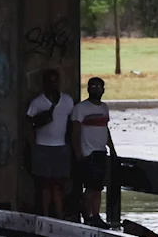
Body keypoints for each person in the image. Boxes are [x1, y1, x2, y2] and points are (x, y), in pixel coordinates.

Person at [25, 69, 74, 218]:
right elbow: (28, 124)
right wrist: (32, 146)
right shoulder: (37, 102)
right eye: (50, 81)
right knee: (45, 184)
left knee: (59, 184)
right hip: (42, 147)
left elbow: (71, 124)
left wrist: (70, 144)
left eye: (55, 81)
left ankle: (58, 214)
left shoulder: (67, 101)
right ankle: (45, 214)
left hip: (61, 147)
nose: (53, 85)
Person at [70, 76, 117, 228]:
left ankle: (95, 215)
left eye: (99, 87)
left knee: (98, 187)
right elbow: (75, 132)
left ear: (103, 90)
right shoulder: (80, 109)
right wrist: (78, 152)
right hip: (88, 152)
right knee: (90, 187)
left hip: (101, 151)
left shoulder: (104, 108)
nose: (96, 89)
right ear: (88, 89)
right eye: (93, 86)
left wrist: (112, 147)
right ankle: (86, 214)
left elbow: (105, 129)